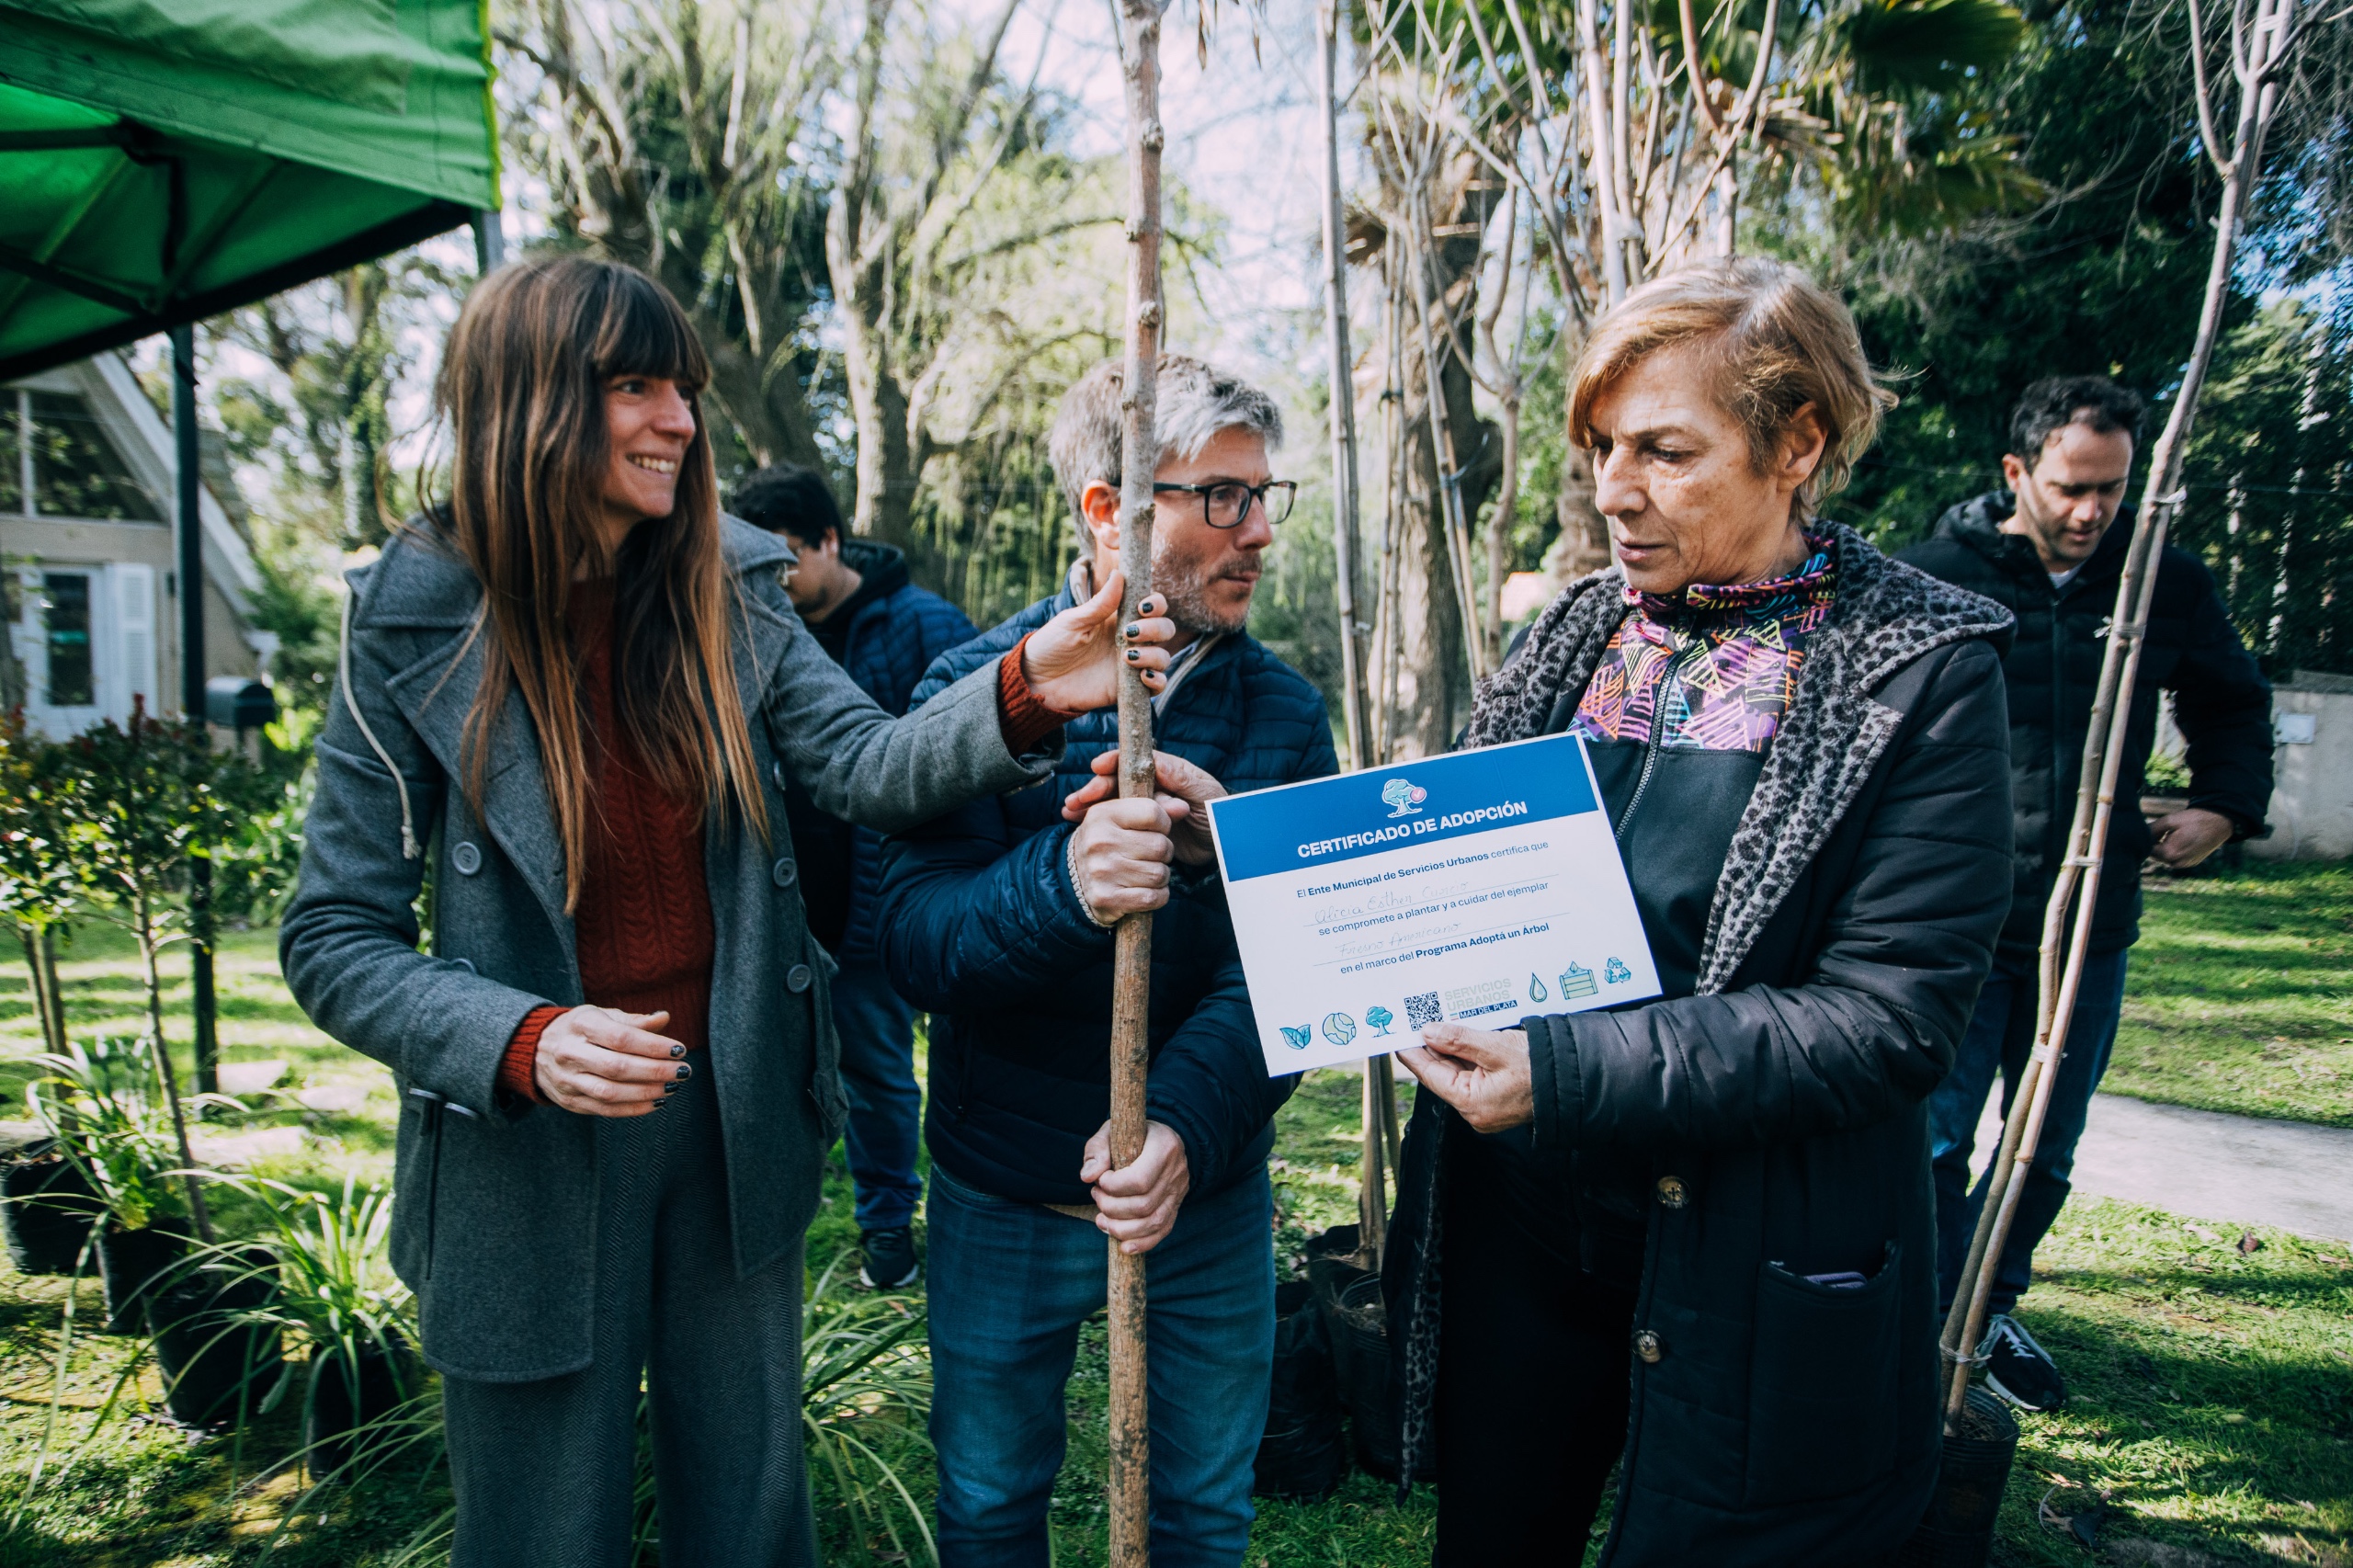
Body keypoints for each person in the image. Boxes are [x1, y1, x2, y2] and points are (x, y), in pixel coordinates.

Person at [277, 256, 1176, 1567]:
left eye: (683, 388)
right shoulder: (408, 614)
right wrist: (522, 1037)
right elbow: (332, 935)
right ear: (528, 402)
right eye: (635, 386)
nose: (680, 423)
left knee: (749, 1507)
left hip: (733, 1106)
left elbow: (868, 765)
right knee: (541, 1525)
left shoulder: (723, 583)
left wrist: (1030, 684)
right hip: (523, 1143)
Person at [1383, 258, 2017, 1565]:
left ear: (1798, 443)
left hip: (1752, 1233)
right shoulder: (1573, 633)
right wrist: (1261, 854)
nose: (1616, 489)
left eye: (1666, 450)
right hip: (1522, 1213)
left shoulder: (1919, 672)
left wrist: (1565, 1070)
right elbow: (1460, 867)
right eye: (1606, 445)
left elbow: (1888, 1020)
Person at [876, 355, 1336, 1568]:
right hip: (1004, 1186)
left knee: (1201, 1511)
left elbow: (1291, 968)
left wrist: (1184, 1121)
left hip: (1207, 1194)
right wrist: (1065, 887)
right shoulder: (976, 693)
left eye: (1263, 496)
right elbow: (911, 937)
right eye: (1221, 498)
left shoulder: (1285, 715)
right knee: (985, 1502)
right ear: (1109, 509)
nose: (1257, 535)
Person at [1898, 376, 2274, 1411]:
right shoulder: (1933, 578)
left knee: (2044, 1143)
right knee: (1930, 1134)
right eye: (2070, 486)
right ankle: (1929, 1314)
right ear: (2016, 472)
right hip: (1958, 923)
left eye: (2110, 489)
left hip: (2090, 929)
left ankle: (1985, 1303)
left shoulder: (2165, 584)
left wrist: (2223, 808)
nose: (2089, 511)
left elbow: (2233, 704)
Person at [733, 462, 977, 1290]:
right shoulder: (747, 629)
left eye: (784, 558)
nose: (768, 578)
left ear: (830, 542)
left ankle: (892, 1236)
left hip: (882, 907)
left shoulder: (924, 625)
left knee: (883, 1074)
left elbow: (962, 758)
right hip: (785, 907)